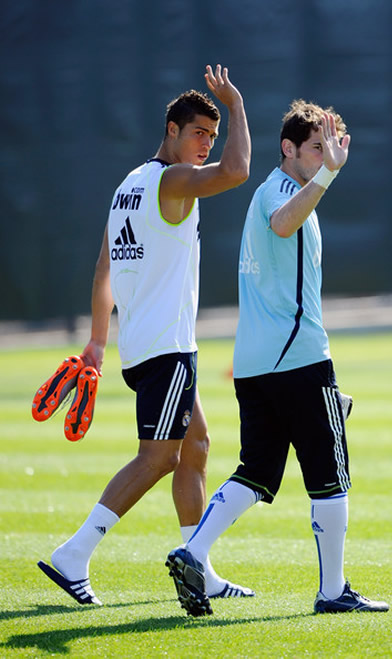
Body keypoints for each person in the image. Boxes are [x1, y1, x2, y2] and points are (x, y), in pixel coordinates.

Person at [37, 64, 254, 605]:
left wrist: (96, 341)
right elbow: (238, 171)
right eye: (199, 133)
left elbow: (103, 267)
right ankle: (74, 555)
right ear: (172, 131)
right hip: (166, 349)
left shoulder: (128, 185)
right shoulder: (171, 179)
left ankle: (196, 564)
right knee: (158, 458)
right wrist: (236, 107)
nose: (207, 143)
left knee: (197, 444)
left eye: (212, 134)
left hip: (146, 346)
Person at [166, 100, 389, 616]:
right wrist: (329, 175)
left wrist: (324, 173)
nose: (326, 154)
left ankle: (192, 552)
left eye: (332, 147)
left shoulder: (289, 191)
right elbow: (285, 223)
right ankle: (333, 591)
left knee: (258, 471)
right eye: (317, 146)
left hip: (258, 365)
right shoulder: (281, 191)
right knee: (330, 476)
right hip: (299, 360)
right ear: (288, 149)